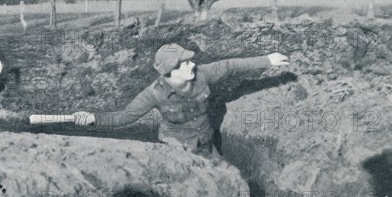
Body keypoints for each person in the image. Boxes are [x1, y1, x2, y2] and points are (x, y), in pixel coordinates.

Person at [73, 43, 289, 158]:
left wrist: (267, 60)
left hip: (205, 145)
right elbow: (123, 117)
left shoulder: (202, 74)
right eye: (184, 63)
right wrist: (92, 119)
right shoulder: (153, 94)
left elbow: (231, 66)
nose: (192, 65)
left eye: (190, 61)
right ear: (170, 71)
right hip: (176, 151)